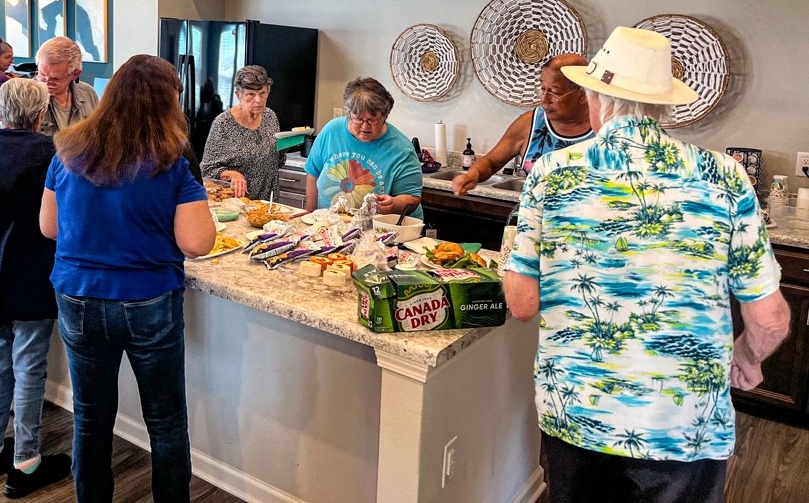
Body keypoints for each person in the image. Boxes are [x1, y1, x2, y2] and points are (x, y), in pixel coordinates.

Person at [504, 26, 790, 503]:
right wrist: (746, 357)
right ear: (663, 106)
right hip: (684, 426)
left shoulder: (551, 176)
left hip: (578, 414)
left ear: (597, 99)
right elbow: (771, 318)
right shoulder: (724, 177)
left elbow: (522, 303)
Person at [40, 54, 215, 502]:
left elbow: (50, 227)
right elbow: (196, 243)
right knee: (165, 420)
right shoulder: (173, 159)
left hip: (77, 295)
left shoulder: (69, 147)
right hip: (147, 298)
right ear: (168, 101)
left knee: (91, 416)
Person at [0, 78, 71, 496]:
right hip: (31, 271)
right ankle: (25, 461)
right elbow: (66, 215)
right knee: (29, 367)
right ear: (41, 115)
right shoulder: (52, 150)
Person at [452, 53, 593, 195]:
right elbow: (491, 162)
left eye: (554, 93)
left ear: (582, 95)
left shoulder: (605, 128)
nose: (544, 99)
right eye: (543, 89)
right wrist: (472, 175)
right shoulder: (529, 124)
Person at [304, 77, 422, 219]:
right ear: (348, 114)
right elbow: (313, 173)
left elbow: (412, 198)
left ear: (384, 116)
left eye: (372, 119)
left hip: (381, 232)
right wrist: (309, 215)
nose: (365, 126)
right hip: (329, 226)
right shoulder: (332, 131)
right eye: (358, 118)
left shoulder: (401, 149)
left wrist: (394, 204)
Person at [200, 65, 285, 200]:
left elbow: (275, 162)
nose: (258, 100)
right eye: (251, 94)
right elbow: (206, 170)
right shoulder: (223, 123)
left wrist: (284, 148)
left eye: (262, 93)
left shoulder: (270, 116)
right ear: (238, 95)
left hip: (268, 205)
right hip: (236, 206)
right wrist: (232, 174)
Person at [34, 36, 99, 137]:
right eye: (41, 74)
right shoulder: (25, 96)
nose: (46, 82)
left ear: (75, 74)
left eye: (55, 79)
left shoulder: (88, 94)